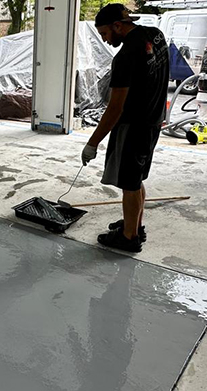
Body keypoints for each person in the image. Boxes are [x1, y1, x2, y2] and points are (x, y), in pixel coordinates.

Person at [81, 3, 169, 252]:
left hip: (134, 125)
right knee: (137, 177)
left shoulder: (125, 57)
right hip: (153, 120)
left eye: (105, 34)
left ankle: (128, 238)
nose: (105, 40)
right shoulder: (155, 35)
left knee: (129, 182)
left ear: (117, 26)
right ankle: (135, 224)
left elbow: (115, 108)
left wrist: (92, 142)